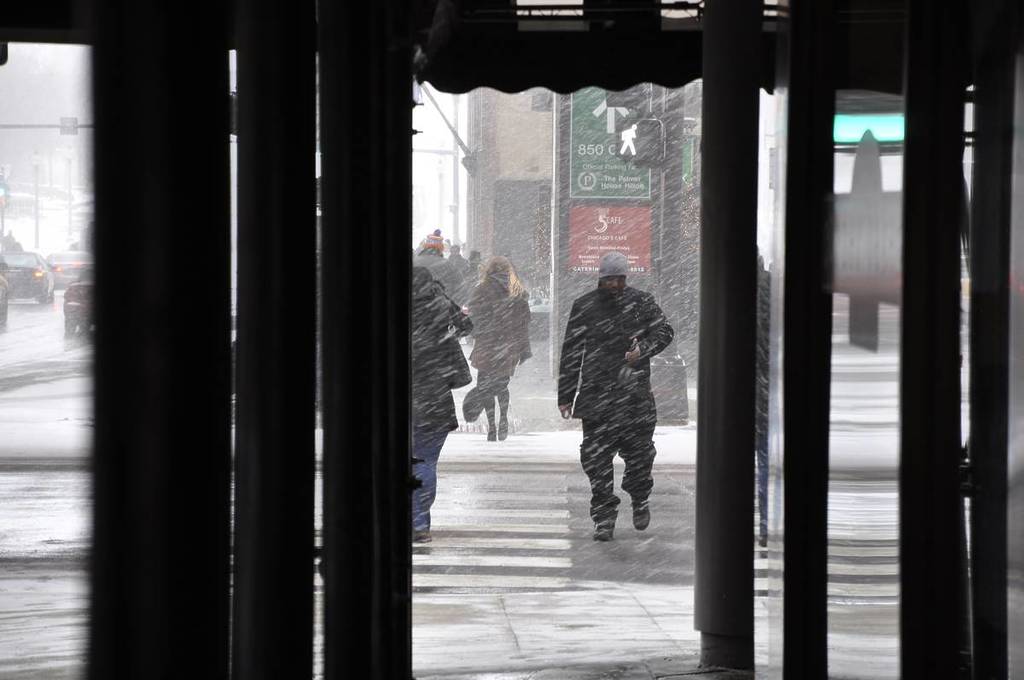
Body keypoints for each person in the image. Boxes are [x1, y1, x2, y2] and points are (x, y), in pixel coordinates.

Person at [557, 251, 674, 541]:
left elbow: (665, 332)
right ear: (601, 278)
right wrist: (566, 395)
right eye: (610, 279)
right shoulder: (584, 306)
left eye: (619, 278)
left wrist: (642, 350)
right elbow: (572, 352)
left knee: (640, 457)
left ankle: (639, 498)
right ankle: (604, 518)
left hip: (634, 396)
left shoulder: (642, 302)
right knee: (596, 462)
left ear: (626, 277)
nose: (615, 284)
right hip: (597, 397)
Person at [411, 264, 473, 543]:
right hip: (433, 402)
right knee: (425, 462)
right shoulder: (440, 311)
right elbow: (466, 325)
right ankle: (419, 522)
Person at [462, 256, 532, 441]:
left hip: (487, 345)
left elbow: (473, 315)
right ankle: (503, 421)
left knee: (484, 386)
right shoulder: (516, 290)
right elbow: (523, 323)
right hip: (508, 347)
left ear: (489, 270)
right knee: (501, 385)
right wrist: (524, 348)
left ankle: (492, 426)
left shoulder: (482, 288)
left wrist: (477, 332)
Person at [755, 254, 770, 548]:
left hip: (754, 393)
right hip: (767, 394)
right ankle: (767, 524)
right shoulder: (771, 289)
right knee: (767, 462)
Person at [413, 229, 464, 298]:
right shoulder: (447, 264)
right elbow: (460, 284)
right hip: (440, 304)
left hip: (416, 304)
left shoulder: (416, 262)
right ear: (441, 249)